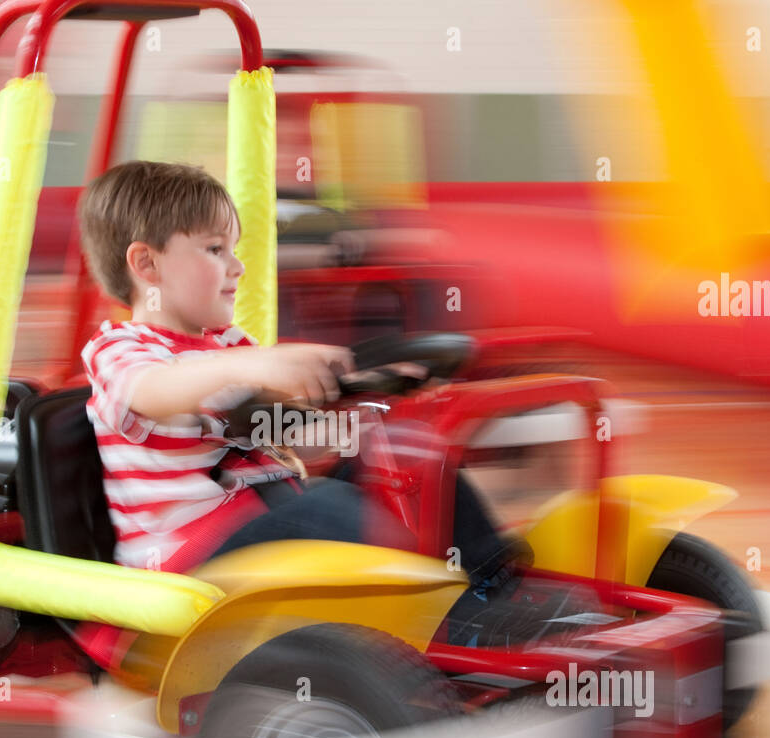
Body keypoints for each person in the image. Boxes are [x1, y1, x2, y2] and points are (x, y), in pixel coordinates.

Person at [77, 160, 532, 643]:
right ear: (147, 265)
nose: (238, 266)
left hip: (265, 512)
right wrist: (251, 367)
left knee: (407, 450)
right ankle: (439, 624)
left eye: (233, 249)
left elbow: (282, 428)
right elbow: (152, 391)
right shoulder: (119, 350)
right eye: (215, 250)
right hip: (187, 556)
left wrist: (358, 388)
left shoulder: (228, 344)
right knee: (324, 506)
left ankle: (492, 593)